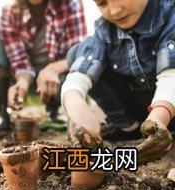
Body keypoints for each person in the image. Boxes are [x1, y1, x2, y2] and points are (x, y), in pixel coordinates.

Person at [62, 0, 175, 164]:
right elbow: (78, 76)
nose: (114, 11)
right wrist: (77, 108)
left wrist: (158, 119)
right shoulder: (104, 28)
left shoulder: (169, 12)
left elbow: (171, 76)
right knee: (76, 54)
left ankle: (160, 128)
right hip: (139, 106)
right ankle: (128, 127)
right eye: (102, 3)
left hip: (168, 105)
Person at [0, 0, 87, 132]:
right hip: (25, 78)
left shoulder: (71, 4)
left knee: (76, 71)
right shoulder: (9, 12)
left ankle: (53, 110)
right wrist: (22, 81)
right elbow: (19, 60)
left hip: (58, 78)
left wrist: (52, 69)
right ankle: (3, 112)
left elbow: (79, 54)